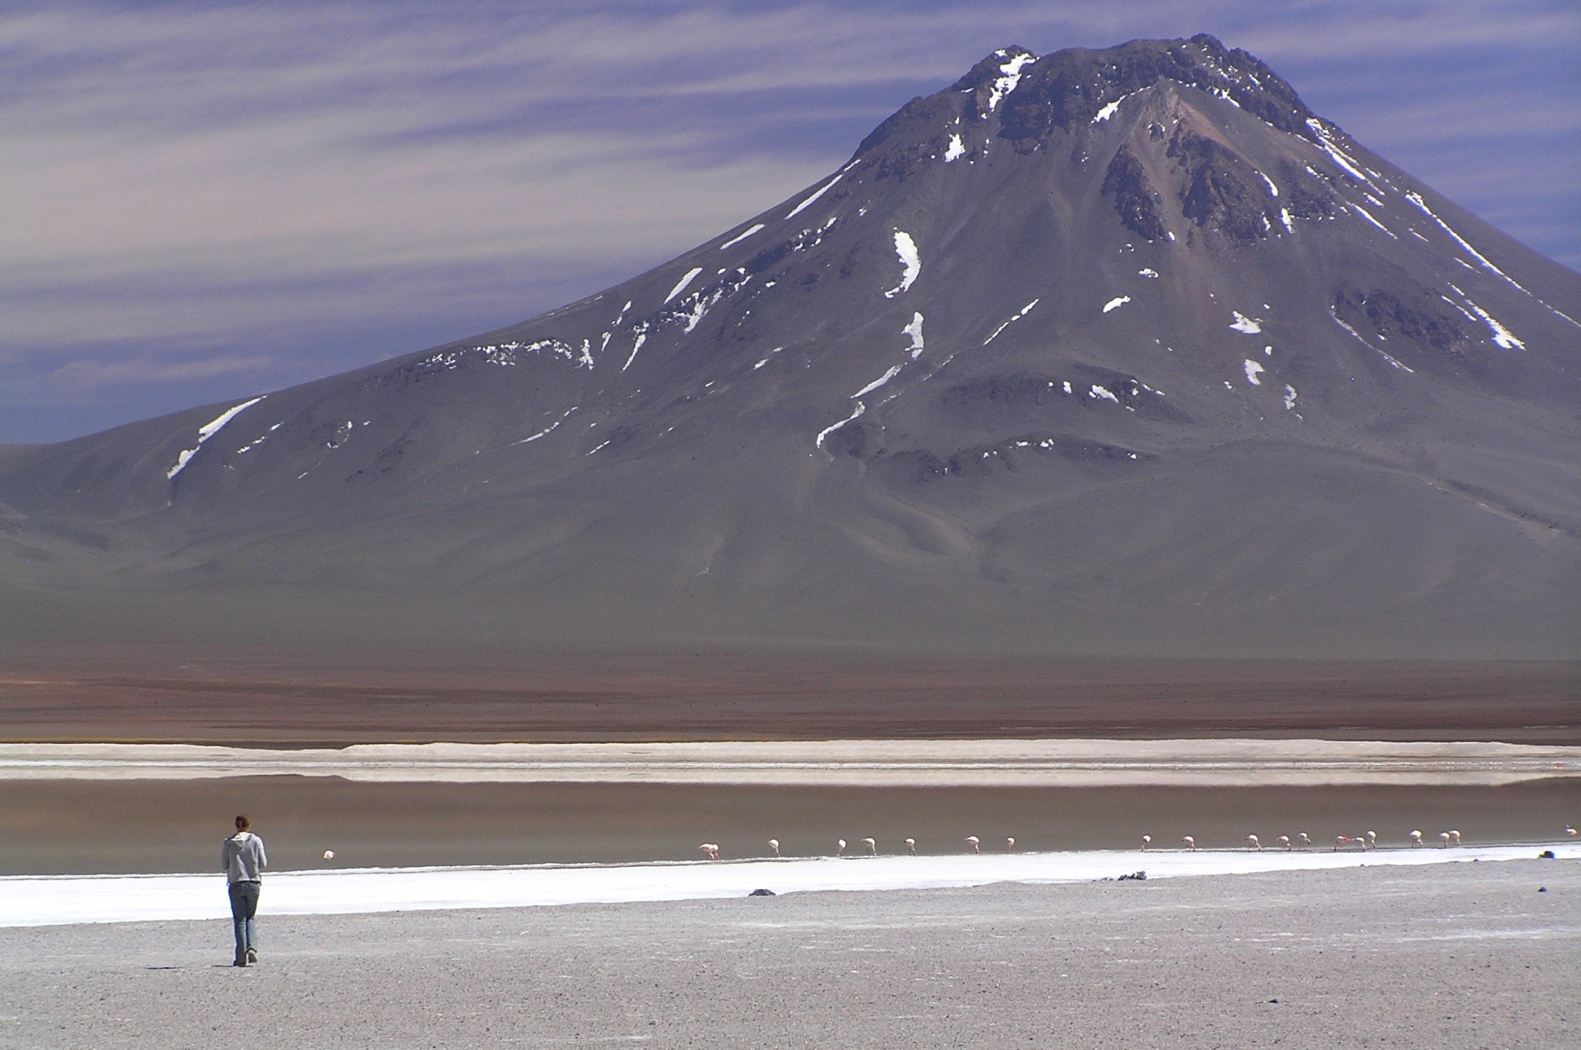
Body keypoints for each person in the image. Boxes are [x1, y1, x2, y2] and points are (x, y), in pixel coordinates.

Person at [221, 814, 267, 966]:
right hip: (253, 881)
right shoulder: (255, 840)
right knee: (250, 917)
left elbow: (223, 865)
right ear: (248, 825)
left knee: (240, 920)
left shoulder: (228, 842)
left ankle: (240, 957)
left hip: (236, 882)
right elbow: (263, 863)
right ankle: (252, 948)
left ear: (236, 825)